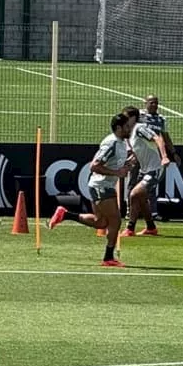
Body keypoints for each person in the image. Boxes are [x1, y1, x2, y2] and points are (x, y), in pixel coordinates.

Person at [49, 113, 135, 267]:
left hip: (103, 185)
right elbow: (94, 166)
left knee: (100, 222)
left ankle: (65, 214)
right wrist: (117, 173)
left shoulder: (122, 143)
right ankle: (108, 258)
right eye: (127, 126)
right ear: (118, 128)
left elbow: (114, 164)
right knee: (115, 220)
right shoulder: (112, 143)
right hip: (101, 186)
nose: (130, 128)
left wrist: (126, 165)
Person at [121, 106, 169, 237]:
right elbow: (140, 150)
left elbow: (158, 138)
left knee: (134, 194)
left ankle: (130, 228)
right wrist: (131, 161)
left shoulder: (139, 128)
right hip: (145, 170)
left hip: (155, 169)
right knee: (141, 199)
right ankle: (151, 227)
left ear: (133, 118)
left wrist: (164, 157)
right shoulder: (129, 134)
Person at [139, 95, 180, 220]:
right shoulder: (139, 116)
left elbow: (165, 137)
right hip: (139, 154)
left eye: (156, 103)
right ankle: (130, 212)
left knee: (151, 184)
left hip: (154, 157)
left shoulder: (161, 119)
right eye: (151, 102)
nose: (154, 105)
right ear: (145, 103)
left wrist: (173, 153)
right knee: (133, 183)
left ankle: (153, 213)